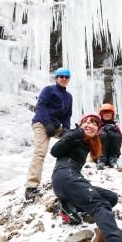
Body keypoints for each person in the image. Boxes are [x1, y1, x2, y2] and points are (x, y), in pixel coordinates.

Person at [50, 112, 122, 242]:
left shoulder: (87, 142)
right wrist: (77, 133)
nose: (91, 125)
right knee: (100, 205)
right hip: (65, 175)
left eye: (95, 124)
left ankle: (69, 206)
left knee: (111, 198)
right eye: (88, 121)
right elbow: (54, 151)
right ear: (81, 124)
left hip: (69, 180)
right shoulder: (73, 134)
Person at [25, 67, 73, 201]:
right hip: (41, 123)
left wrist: (67, 129)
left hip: (56, 126)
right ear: (56, 78)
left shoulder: (69, 97)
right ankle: (31, 187)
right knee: (40, 153)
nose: (64, 79)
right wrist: (47, 123)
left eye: (66, 77)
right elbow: (41, 107)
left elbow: (67, 115)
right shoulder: (48, 90)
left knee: (74, 139)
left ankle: (70, 175)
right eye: (61, 76)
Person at [96, 103, 122, 170]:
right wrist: (102, 129)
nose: (107, 114)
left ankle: (114, 159)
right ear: (101, 114)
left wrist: (113, 132)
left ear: (112, 115)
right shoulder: (98, 125)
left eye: (109, 113)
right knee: (103, 135)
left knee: (116, 135)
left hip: (112, 153)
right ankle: (101, 160)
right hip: (99, 154)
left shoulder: (115, 126)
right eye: (105, 113)